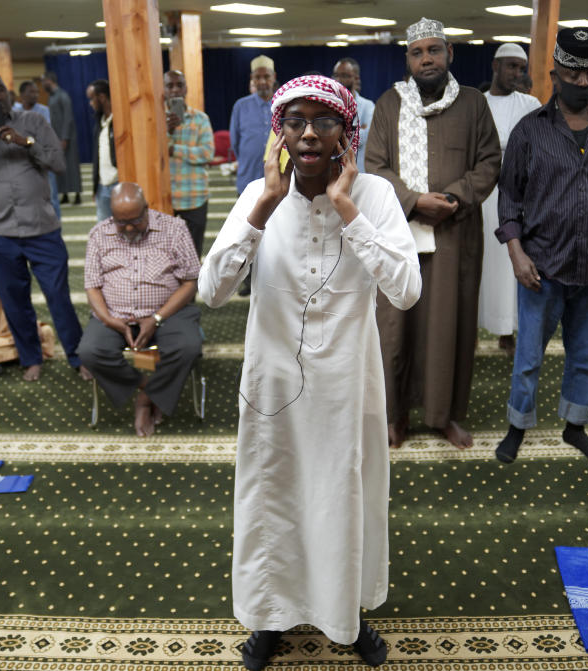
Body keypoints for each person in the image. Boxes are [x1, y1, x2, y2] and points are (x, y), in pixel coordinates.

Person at [199, 74, 420, 671]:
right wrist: (264, 207)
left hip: (348, 385)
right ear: (279, 134)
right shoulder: (256, 195)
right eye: (294, 122)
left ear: (345, 133)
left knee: (342, 498)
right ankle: (270, 615)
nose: (308, 134)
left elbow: (405, 290)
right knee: (275, 497)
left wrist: (348, 210)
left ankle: (345, 614)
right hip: (273, 385)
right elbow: (211, 290)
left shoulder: (371, 196)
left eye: (323, 121)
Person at [494, 27, 588, 465]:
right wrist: (516, 252)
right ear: (554, 71)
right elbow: (509, 200)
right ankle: (516, 428)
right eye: (572, 73)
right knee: (527, 358)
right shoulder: (529, 131)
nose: (582, 82)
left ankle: (575, 427)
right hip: (540, 266)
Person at [366, 17, 501, 450]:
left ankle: (444, 415)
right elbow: (375, 166)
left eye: (434, 50)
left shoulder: (473, 104)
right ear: (408, 58)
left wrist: (453, 198)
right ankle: (395, 415)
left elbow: (489, 163)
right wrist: (414, 201)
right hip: (400, 232)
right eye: (417, 52)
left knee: (450, 326)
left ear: (450, 54)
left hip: (454, 235)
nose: (426, 59)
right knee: (394, 326)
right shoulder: (390, 104)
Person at [0, 67, 86, 382]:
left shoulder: (35, 122)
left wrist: (26, 142)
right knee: (14, 300)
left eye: (0, 89)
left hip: (42, 228)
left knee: (58, 296)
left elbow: (57, 162)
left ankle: (78, 356)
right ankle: (31, 358)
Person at [79, 183, 202, 437]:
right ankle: (148, 387)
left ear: (146, 209)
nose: (129, 228)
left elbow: (191, 281)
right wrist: (109, 320)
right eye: (121, 223)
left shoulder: (174, 229)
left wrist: (157, 318)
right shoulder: (99, 234)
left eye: (135, 220)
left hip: (168, 312)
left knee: (188, 347)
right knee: (90, 351)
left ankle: (145, 400)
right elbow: (92, 286)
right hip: (116, 314)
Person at [478, 42, 541, 355]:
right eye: (511, 66)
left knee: (509, 263)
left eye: (521, 67)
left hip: (517, 196)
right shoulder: (477, 103)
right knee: (481, 261)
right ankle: (474, 326)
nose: (517, 72)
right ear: (495, 67)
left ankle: (508, 330)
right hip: (481, 195)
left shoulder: (531, 104)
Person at [0, 257, 55, 372]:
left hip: (16, 336)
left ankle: (5, 358)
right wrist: (10, 341)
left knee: (46, 331)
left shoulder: (10, 292)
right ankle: (22, 353)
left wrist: (34, 326)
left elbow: (26, 316)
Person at [164, 70, 214, 257]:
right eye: (170, 86)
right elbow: (151, 154)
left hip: (194, 196)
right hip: (165, 197)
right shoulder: (155, 121)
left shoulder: (200, 119)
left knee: (192, 254)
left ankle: (191, 287)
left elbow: (207, 153)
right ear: (163, 90)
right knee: (165, 254)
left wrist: (174, 149)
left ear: (186, 89)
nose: (175, 90)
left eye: (179, 85)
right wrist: (166, 131)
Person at [230, 55, 276, 196]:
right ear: (252, 78)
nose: (262, 81)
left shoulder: (281, 104)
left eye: (266, 76)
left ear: (274, 77)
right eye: (257, 77)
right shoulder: (241, 106)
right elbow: (235, 143)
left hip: (276, 181)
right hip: (247, 179)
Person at [15, 80, 60, 220]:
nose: (35, 95)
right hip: (22, 163)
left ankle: (55, 226)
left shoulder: (43, 110)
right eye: (31, 92)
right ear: (22, 95)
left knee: (51, 198)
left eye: (37, 92)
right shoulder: (15, 112)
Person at [41, 71, 82, 206]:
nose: (42, 84)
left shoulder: (63, 96)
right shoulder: (51, 97)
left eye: (44, 81)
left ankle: (77, 194)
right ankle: (64, 194)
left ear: (50, 80)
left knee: (72, 166)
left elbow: (68, 118)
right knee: (60, 167)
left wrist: (64, 138)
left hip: (67, 138)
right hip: (56, 138)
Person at [332, 57, 375, 171]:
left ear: (356, 78)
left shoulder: (367, 106)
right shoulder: (329, 106)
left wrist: (338, 132)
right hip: (334, 173)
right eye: (336, 75)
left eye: (344, 75)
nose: (339, 79)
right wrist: (354, 129)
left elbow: (364, 138)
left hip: (360, 172)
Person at [87, 78, 117, 223]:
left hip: (119, 184)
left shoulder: (119, 121)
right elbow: (97, 157)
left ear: (102, 97)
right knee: (105, 233)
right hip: (102, 187)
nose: (90, 103)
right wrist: (95, 188)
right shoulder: (98, 124)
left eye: (92, 99)